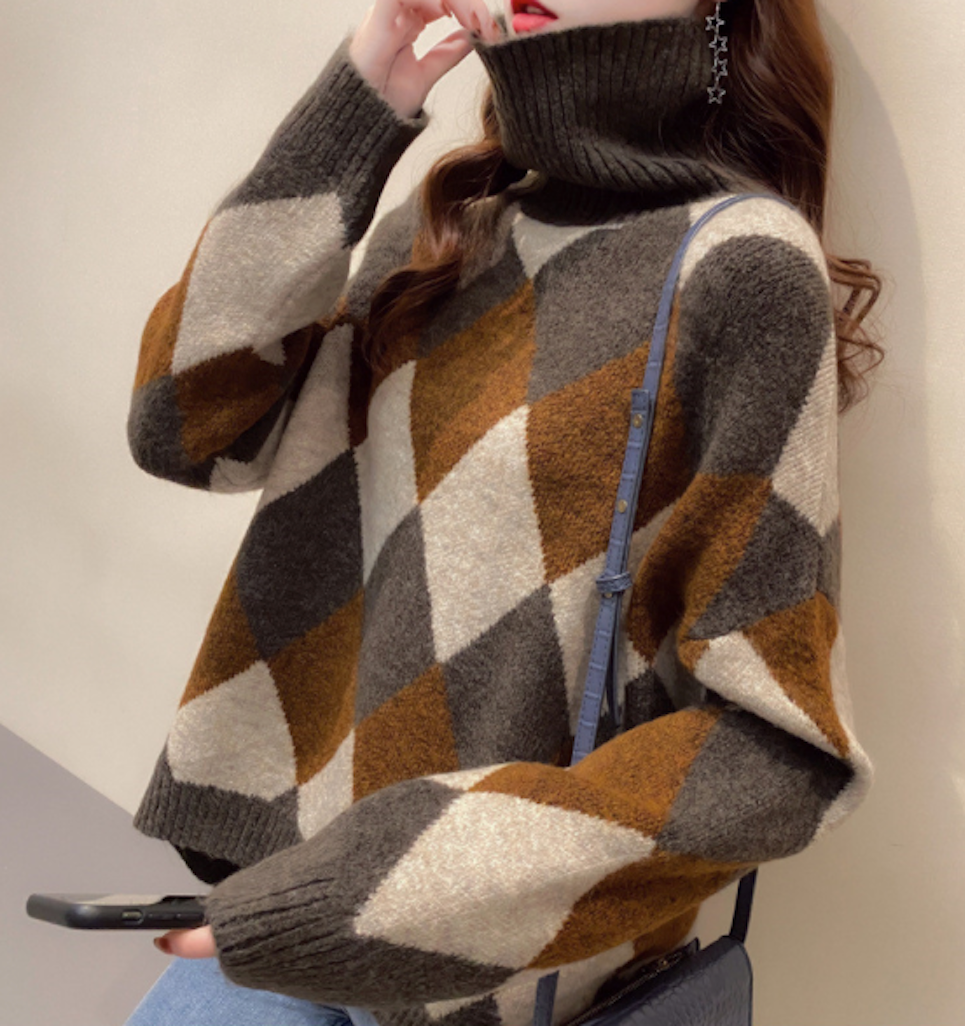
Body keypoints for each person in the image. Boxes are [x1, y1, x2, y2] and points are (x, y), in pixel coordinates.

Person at [122, 0, 883, 1023]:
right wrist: (363, 97)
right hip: (274, 909)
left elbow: (776, 753)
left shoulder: (738, 268)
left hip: (489, 980)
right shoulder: (447, 225)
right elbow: (185, 429)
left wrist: (395, 897)